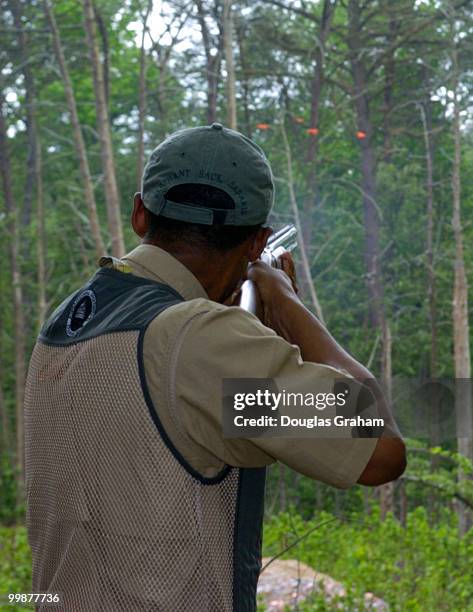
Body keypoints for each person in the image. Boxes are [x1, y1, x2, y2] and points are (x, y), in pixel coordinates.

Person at [24, 123, 405, 612]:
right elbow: (380, 449)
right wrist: (288, 306)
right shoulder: (199, 339)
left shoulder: (71, 315)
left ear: (141, 213)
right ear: (256, 243)